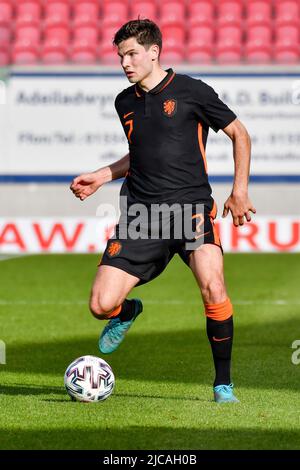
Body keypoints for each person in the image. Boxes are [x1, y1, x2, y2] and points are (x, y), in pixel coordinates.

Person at [70, 19, 256, 403]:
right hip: (141, 215)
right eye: (121, 55)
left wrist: (238, 191)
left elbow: (240, 133)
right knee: (99, 306)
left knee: (214, 287)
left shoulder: (193, 91)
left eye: (132, 53)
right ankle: (127, 312)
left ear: (154, 52)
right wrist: (103, 174)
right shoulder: (124, 102)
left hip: (190, 210)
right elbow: (140, 153)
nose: (125, 62)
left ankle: (223, 384)